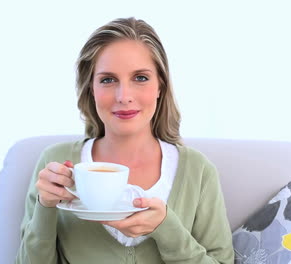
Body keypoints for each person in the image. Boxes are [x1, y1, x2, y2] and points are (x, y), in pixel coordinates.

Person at [15, 17, 234, 264]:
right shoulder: (54, 163)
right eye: (108, 79)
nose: (124, 96)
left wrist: (166, 228)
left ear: (160, 85)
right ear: (91, 89)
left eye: (140, 77)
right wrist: (46, 206)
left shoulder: (197, 170)